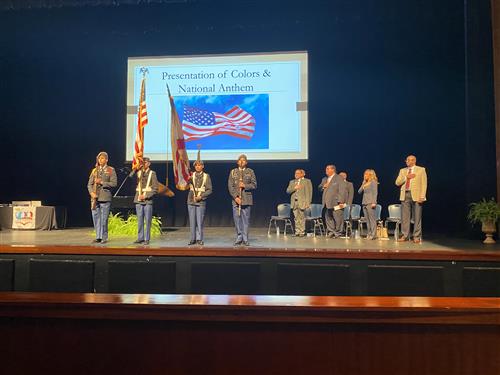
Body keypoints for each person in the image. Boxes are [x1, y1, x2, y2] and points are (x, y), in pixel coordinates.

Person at [395, 155, 428, 243]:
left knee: (417, 216)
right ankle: (404, 235)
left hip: (417, 195)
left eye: (411, 160)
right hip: (405, 194)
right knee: (405, 217)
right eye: (407, 160)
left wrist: (422, 196)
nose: (409, 161)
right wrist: (407, 177)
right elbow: (397, 182)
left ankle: (416, 236)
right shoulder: (402, 171)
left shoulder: (421, 170)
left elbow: (424, 184)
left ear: (414, 161)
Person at [87, 151, 117, 244]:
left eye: (102, 158)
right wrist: (92, 193)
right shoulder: (94, 170)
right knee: (96, 218)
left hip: (105, 197)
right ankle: (98, 236)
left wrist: (102, 183)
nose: (100, 160)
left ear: (106, 160)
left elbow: (114, 183)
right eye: (99, 158)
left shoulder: (111, 170)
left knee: (104, 219)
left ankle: (104, 237)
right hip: (95, 198)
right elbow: (89, 184)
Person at [228, 154, 257, 246]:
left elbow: (254, 185)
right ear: (237, 162)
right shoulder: (233, 172)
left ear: (246, 162)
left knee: (245, 220)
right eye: (240, 160)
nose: (242, 162)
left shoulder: (250, 171)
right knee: (237, 219)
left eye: (244, 160)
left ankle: (245, 238)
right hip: (236, 199)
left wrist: (245, 185)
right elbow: (230, 186)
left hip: (246, 199)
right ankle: (239, 236)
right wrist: (235, 197)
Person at [133, 157, 158, 245]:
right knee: (140, 220)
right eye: (142, 162)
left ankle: (147, 238)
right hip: (138, 198)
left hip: (147, 200)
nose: (144, 164)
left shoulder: (152, 173)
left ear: (149, 163)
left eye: (146, 162)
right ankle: (140, 238)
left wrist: (146, 196)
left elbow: (155, 188)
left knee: (147, 220)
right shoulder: (139, 173)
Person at [187, 159, 212, 246]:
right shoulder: (191, 175)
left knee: (199, 221)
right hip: (191, 200)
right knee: (192, 221)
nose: (197, 167)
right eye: (196, 165)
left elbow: (209, 190)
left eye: (199, 165)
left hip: (201, 201)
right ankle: (192, 239)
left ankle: (199, 239)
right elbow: (186, 186)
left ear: (202, 166)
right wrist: (188, 181)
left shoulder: (206, 176)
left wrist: (201, 197)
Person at [318, 164, 347, 238]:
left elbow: (342, 190)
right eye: (326, 168)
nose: (326, 170)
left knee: (337, 217)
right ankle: (331, 231)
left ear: (333, 169)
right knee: (328, 217)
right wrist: (323, 186)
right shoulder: (324, 179)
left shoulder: (339, 178)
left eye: (328, 169)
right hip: (326, 202)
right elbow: (319, 187)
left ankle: (338, 232)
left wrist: (341, 201)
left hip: (336, 202)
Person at [286, 169, 313, 237]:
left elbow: (309, 193)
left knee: (302, 218)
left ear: (302, 174)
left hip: (302, 202)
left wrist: (308, 202)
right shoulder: (292, 182)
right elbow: (288, 191)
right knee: (296, 218)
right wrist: (294, 188)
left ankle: (302, 232)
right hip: (294, 202)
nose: (296, 174)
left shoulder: (307, 181)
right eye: (295, 173)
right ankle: (297, 232)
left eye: (298, 173)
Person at [358, 169, 379, 240]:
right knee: (367, 220)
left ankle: (373, 235)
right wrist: (363, 184)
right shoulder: (365, 183)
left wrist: (374, 202)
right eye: (364, 174)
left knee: (372, 220)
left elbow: (375, 193)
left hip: (370, 202)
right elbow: (359, 191)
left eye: (366, 174)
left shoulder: (373, 182)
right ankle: (369, 234)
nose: (365, 175)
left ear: (370, 175)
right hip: (364, 202)